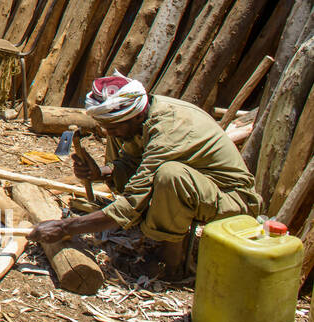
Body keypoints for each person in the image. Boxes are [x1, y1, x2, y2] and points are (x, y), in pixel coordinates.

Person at [27, 74, 261, 278]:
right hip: (201, 187)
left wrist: (65, 227)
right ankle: (157, 236)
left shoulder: (169, 130)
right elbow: (132, 162)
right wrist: (102, 173)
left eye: (114, 127)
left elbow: (130, 204)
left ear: (136, 116)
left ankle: (170, 264)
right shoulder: (141, 117)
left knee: (171, 175)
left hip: (232, 199)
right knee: (161, 172)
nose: (109, 132)